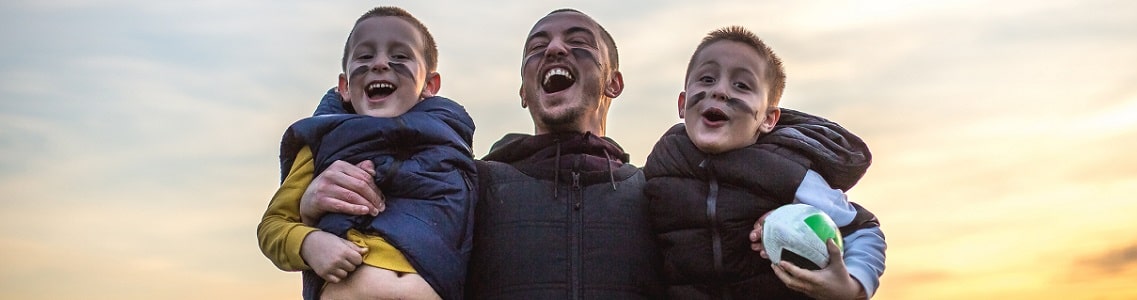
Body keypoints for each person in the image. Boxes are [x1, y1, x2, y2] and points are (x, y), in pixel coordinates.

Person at [298, 8, 667, 299]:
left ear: (614, 83)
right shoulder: (467, 183)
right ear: (523, 92)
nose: (554, 49)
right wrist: (310, 204)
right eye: (537, 47)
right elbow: (375, 255)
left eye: (578, 41)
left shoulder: (655, 194)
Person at [642, 26, 886, 299]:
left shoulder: (788, 172)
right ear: (682, 103)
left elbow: (863, 230)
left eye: (742, 85)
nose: (720, 91)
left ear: (768, 119)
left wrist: (852, 285)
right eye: (707, 79)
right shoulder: (660, 166)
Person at [256, 6, 475, 300]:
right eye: (365, 56)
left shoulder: (453, 148)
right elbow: (272, 226)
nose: (381, 63)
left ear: (429, 85)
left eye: (400, 55)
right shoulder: (324, 144)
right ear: (344, 87)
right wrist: (310, 243)